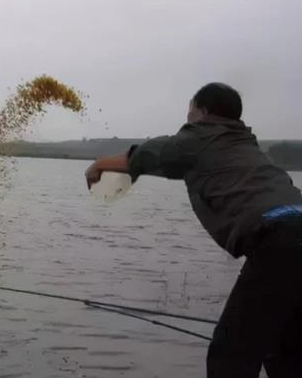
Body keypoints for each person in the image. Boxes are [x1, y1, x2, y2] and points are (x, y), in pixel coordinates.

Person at [84, 82, 302, 378]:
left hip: (279, 242)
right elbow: (177, 164)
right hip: (291, 233)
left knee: (231, 355)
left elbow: (147, 155)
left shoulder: (199, 136)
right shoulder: (245, 145)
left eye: (189, 110)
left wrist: (98, 165)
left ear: (202, 112)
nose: (186, 118)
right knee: (285, 348)